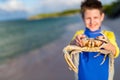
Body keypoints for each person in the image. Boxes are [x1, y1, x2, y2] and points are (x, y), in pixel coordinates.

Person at [70, 0, 119, 80]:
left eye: (95, 17)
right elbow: (70, 48)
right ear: (83, 18)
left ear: (102, 17)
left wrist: (108, 45)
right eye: (88, 18)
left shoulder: (108, 35)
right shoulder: (79, 34)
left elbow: (116, 52)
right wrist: (75, 42)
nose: (92, 22)